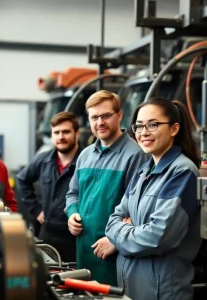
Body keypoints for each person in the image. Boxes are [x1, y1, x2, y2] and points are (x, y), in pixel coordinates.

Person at [105, 97, 201, 300]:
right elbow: (113, 219)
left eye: (153, 125)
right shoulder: (143, 171)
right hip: (131, 288)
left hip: (161, 291)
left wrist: (121, 235)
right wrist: (132, 230)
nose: (143, 132)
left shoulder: (182, 172)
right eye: (139, 126)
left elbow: (158, 236)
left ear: (174, 129)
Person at [65, 90, 148, 285]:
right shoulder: (85, 155)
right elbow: (73, 193)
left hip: (114, 254)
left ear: (119, 115)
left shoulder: (135, 155)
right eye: (94, 117)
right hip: (83, 251)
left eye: (106, 115)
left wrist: (116, 241)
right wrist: (72, 213)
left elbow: (139, 210)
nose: (100, 122)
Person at [16, 112, 81, 262]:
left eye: (66, 132)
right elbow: (22, 180)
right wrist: (36, 209)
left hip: (76, 236)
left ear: (77, 133)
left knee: (77, 280)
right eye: (56, 132)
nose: (61, 137)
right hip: (47, 234)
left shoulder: (87, 161)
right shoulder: (43, 160)